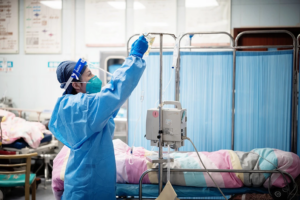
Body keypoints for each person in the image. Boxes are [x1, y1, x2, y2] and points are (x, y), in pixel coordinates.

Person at [49, 35, 148, 200]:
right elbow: (116, 91)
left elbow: (109, 108)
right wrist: (135, 58)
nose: (94, 78)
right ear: (75, 84)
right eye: (89, 75)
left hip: (84, 179)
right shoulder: (83, 106)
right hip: (89, 184)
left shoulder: (72, 104)